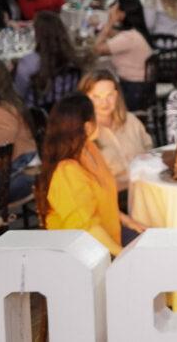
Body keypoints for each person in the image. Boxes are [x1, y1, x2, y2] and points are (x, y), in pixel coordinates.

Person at [36, 93, 146, 255]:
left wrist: (126, 220)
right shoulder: (67, 172)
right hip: (87, 254)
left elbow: (101, 200)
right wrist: (122, 254)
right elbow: (88, 228)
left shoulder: (89, 148)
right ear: (87, 126)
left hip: (110, 237)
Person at [78, 70, 152, 194]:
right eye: (96, 97)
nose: (104, 103)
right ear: (85, 99)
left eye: (109, 95)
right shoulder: (82, 133)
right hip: (111, 199)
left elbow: (150, 153)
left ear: (117, 95)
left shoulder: (131, 121)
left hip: (144, 189)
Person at [14, 11, 84, 109]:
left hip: (36, 117)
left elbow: (19, 94)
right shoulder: (73, 60)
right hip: (67, 112)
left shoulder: (29, 62)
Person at [93, 0, 153, 104]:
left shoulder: (128, 38)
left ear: (122, 14)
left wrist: (110, 22)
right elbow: (116, 35)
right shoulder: (136, 32)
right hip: (141, 86)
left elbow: (96, 50)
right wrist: (102, 27)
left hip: (131, 89)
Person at [0, 62, 38, 202]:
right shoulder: (13, 102)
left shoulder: (2, 111)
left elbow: (4, 146)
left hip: (22, 174)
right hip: (28, 165)